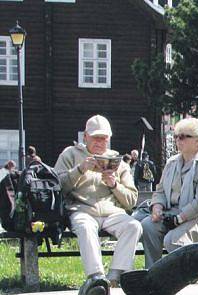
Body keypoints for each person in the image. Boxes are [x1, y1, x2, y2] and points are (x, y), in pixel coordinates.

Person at [54, 115, 142, 284]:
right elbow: (58, 186)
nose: (100, 143)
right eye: (95, 138)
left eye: (104, 139)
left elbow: (131, 200)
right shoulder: (70, 154)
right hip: (82, 210)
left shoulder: (119, 161)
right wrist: (80, 169)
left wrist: (114, 185)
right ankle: (96, 278)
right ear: (85, 136)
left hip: (112, 212)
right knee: (86, 227)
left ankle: (116, 275)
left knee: (133, 226)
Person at [140, 118, 198, 268]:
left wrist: (179, 218)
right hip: (171, 214)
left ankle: (190, 274)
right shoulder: (172, 162)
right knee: (148, 225)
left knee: (173, 240)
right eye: (176, 136)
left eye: (184, 136)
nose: (178, 140)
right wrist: (157, 207)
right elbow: (160, 190)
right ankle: (153, 272)